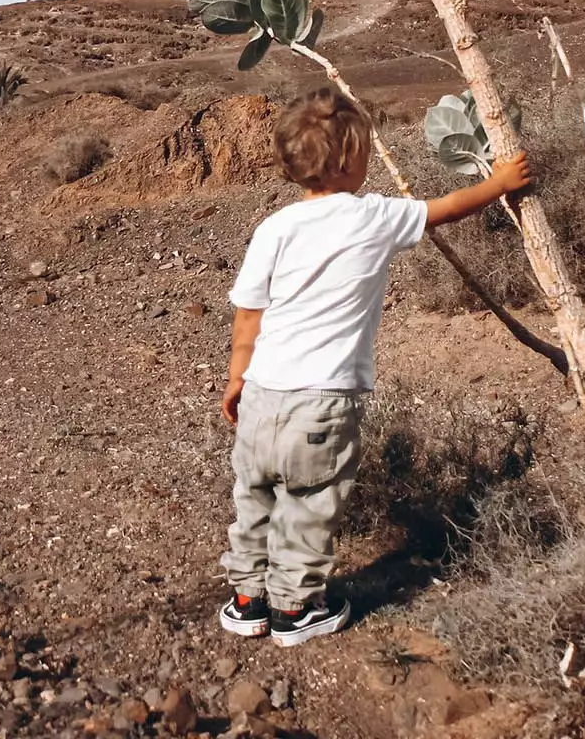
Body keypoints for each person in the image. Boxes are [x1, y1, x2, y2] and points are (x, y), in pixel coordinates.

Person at [217, 83, 532, 646]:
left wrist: (238, 377)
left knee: (255, 495)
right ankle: (294, 610)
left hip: (263, 390)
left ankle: (247, 599)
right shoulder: (373, 217)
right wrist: (498, 183)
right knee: (310, 502)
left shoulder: (274, 229)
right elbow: (444, 211)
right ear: (347, 160)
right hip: (323, 398)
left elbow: (248, 315)